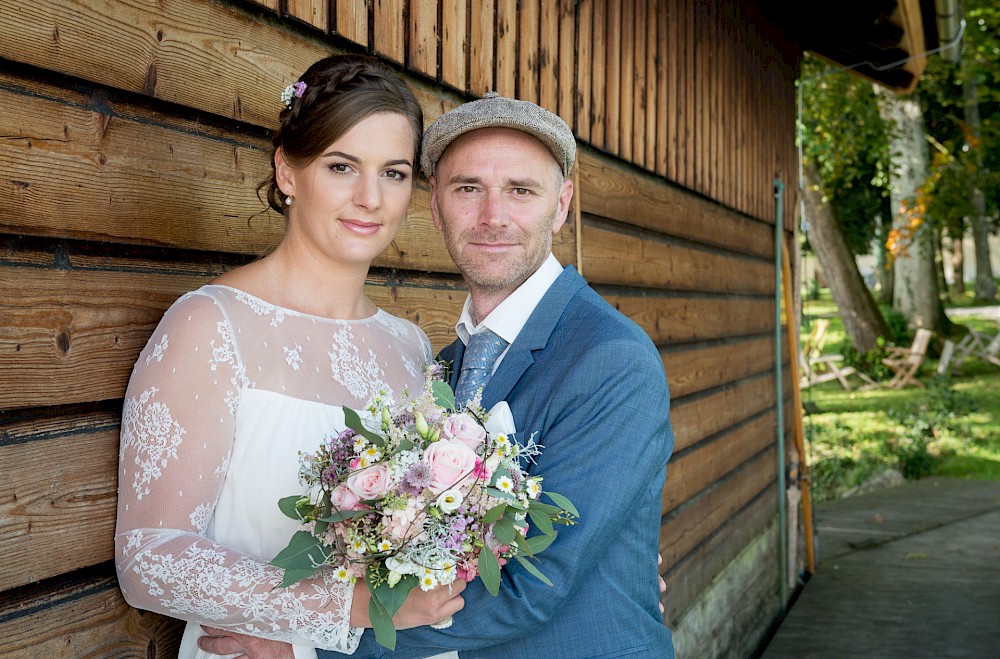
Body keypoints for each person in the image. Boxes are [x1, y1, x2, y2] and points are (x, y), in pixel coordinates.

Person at [202, 93, 676, 658]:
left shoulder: (609, 357)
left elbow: (535, 586)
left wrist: (312, 644)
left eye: (521, 191)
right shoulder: (442, 367)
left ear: (562, 203)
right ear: (436, 206)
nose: (492, 216)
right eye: (467, 188)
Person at [114, 55, 466, 659]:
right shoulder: (210, 325)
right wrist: (350, 605)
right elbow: (150, 555)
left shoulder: (409, 346)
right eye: (341, 166)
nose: (369, 198)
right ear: (287, 171)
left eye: (394, 172)